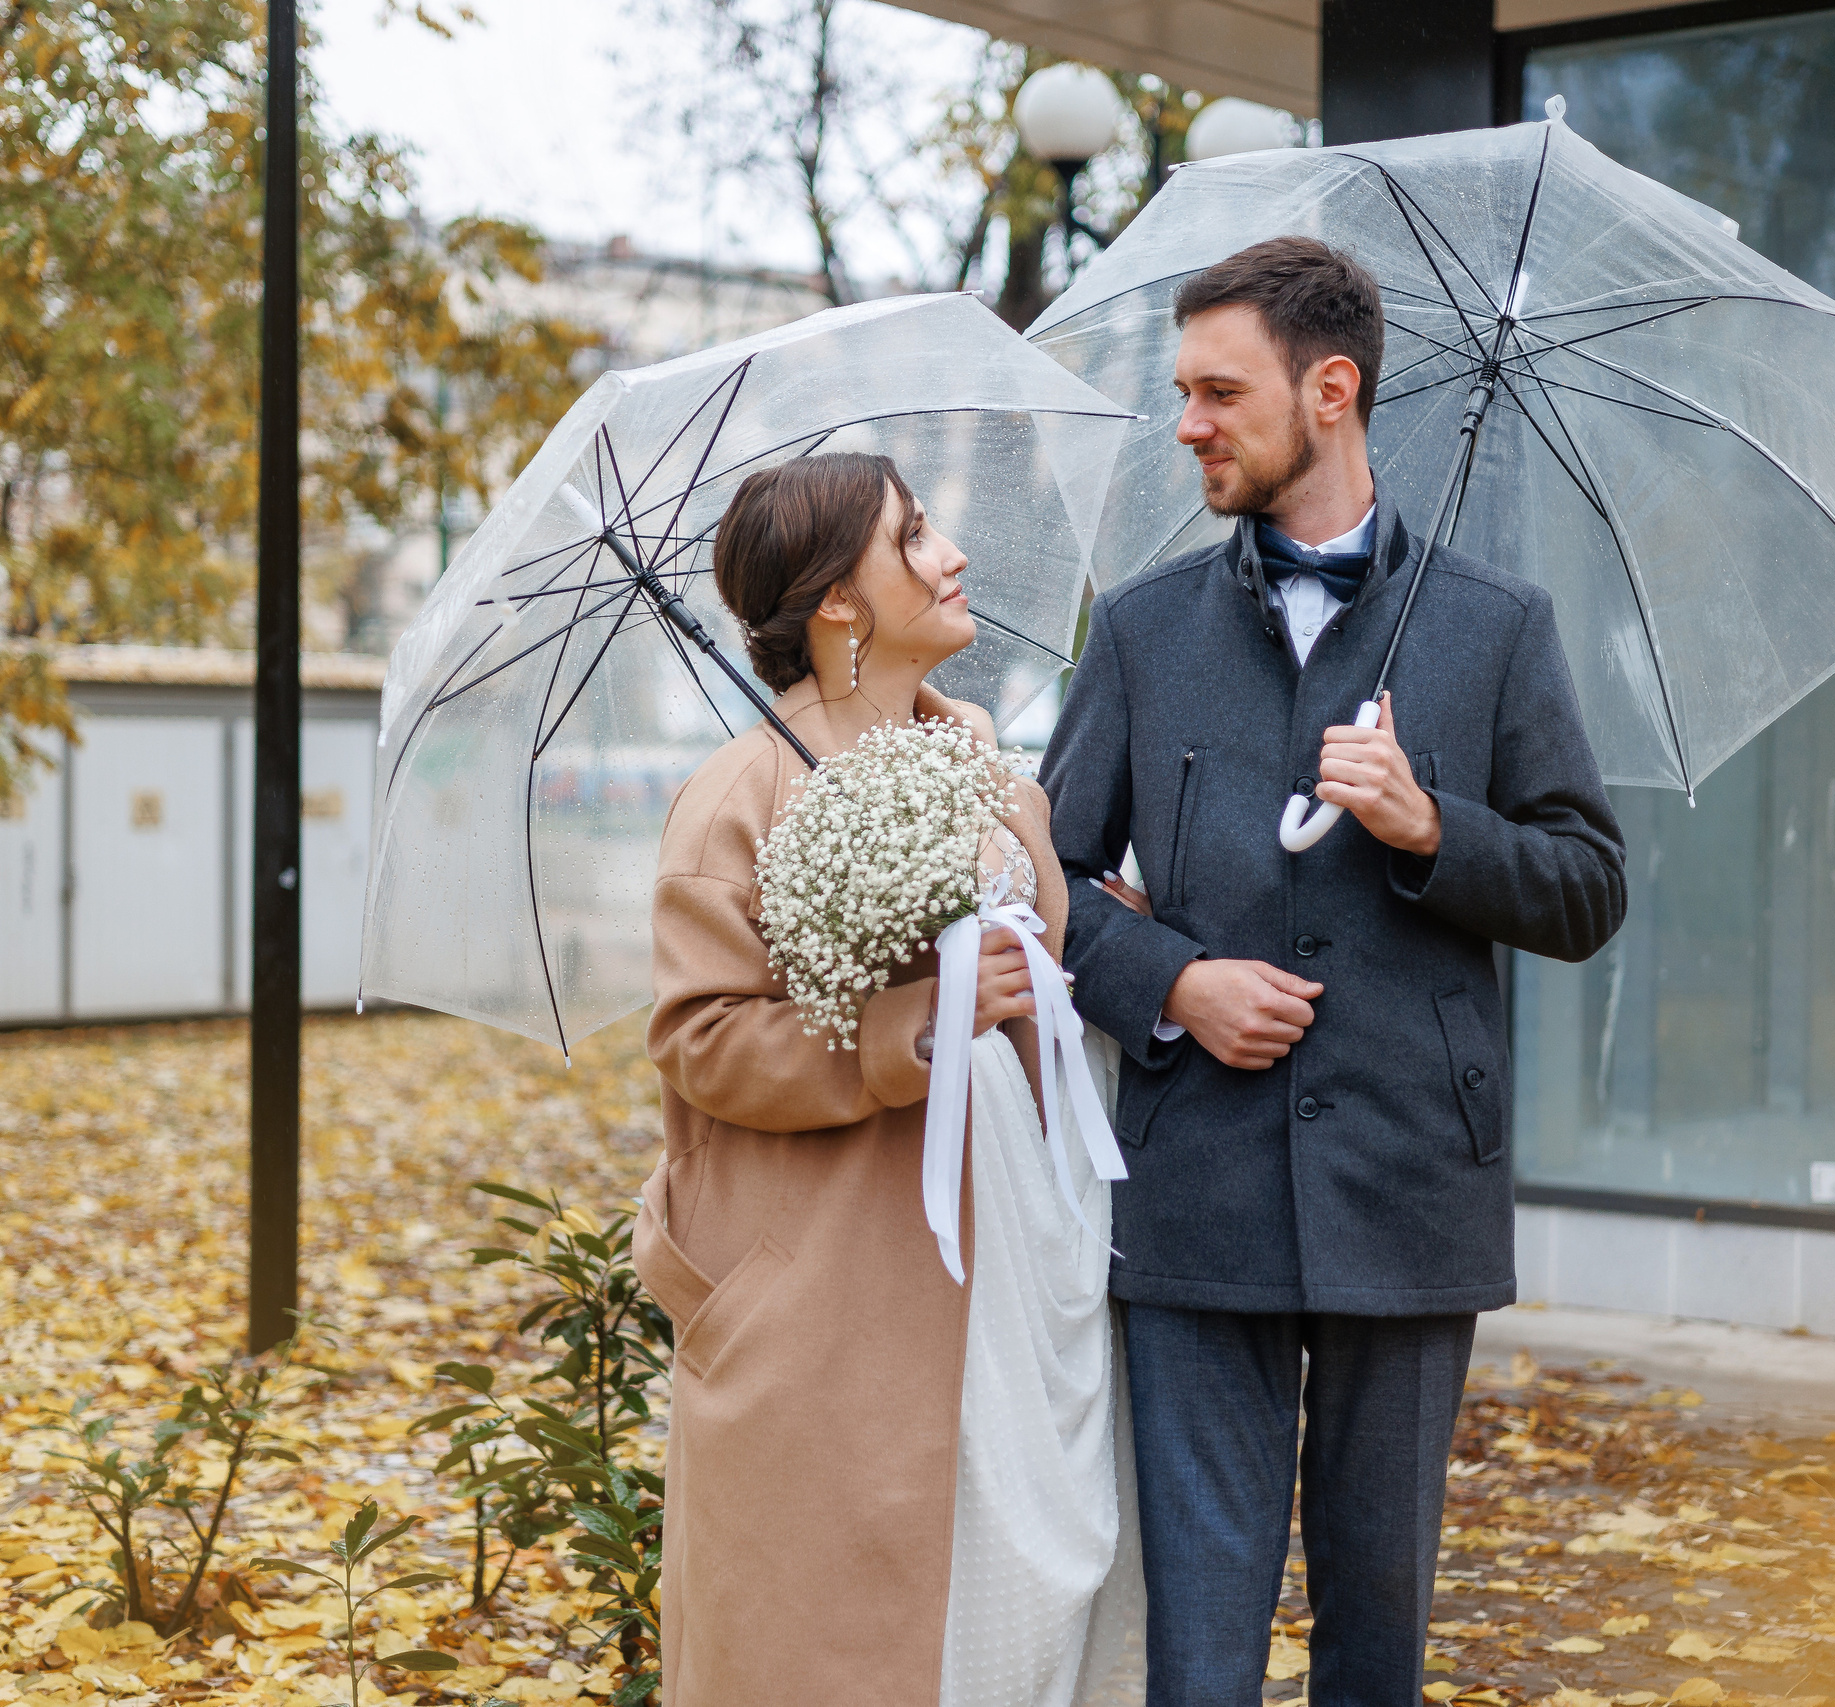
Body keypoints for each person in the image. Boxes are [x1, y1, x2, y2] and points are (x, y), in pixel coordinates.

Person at [1041, 237, 1628, 1706]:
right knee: (1202, 1646)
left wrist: (1435, 825)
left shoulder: (1498, 629)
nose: (1189, 422)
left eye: (1219, 391)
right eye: (1183, 391)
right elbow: (1032, 880)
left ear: (1334, 389)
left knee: (1380, 1637)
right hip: (1194, 1195)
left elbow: (1587, 885)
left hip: (1410, 1189)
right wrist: (1174, 984)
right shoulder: (1142, 627)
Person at [635, 451, 1145, 1707]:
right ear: (838, 605)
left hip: (1011, 1231)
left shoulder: (973, 751)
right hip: (828, 1288)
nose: (951, 554)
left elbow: (1033, 938)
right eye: (913, 538)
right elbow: (700, 1038)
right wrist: (911, 1023)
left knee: (1025, 1588)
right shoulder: (738, 796)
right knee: (837, 1635)